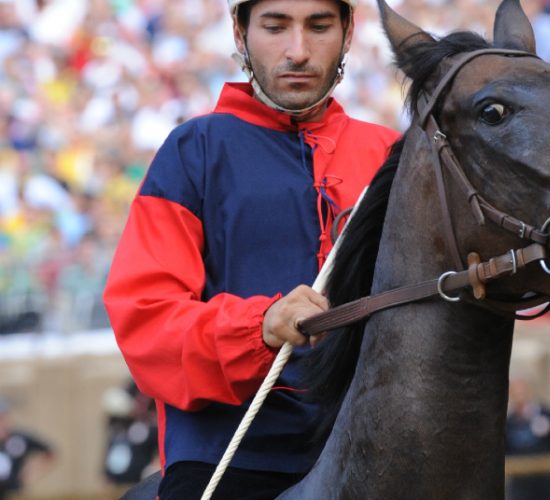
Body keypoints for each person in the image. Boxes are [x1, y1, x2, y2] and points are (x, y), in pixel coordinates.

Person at [102, 0, 400, 497]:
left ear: (349, 33)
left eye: (320, 26)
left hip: (376, 445)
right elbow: (145, 320)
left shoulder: (392, 155)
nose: (298, 50)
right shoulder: (192, 149)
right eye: (275, 27)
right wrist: (259, 328)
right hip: (229, 453)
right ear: (240, 33)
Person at [505, 376, 550, 500]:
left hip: (547, 486)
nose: (520, 394)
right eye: (516, 391)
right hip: (520, 488)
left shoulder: (548, 415)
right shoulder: (508, 424)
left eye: (522, 389)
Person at [0, 399, 55, 499]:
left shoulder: (20, 438)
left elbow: (49, 453)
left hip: (11, 492)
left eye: (2, 418)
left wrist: (30, 473)